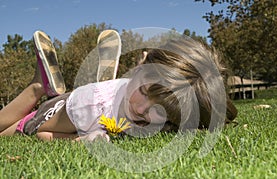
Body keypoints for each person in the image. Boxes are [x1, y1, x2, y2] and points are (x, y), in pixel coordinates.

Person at [0, 29, 238, 142]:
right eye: (143, 91)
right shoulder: (86, 108)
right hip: (72, 108)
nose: (142, 109)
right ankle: (38, 86)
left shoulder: (178, 105)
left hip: (90, 102)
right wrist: (81, 142)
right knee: (19, 129)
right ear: (142, 60)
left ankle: (103, 88)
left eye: (160, 110)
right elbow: (44, 135)